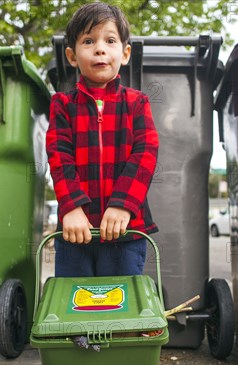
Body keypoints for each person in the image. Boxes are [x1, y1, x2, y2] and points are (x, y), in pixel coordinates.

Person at [46, 1, 159, 277]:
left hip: (126, 232)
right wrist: (71, 208)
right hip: (76, 234)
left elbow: (145, 153)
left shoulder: (137, 103)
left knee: (121, 307)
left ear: (125, 53)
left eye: (110, 40)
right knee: (76, 307)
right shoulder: (62, 104)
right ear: (72, 56)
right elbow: (59, 157)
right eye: (88, 41)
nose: (100, 48)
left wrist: (123, 204)